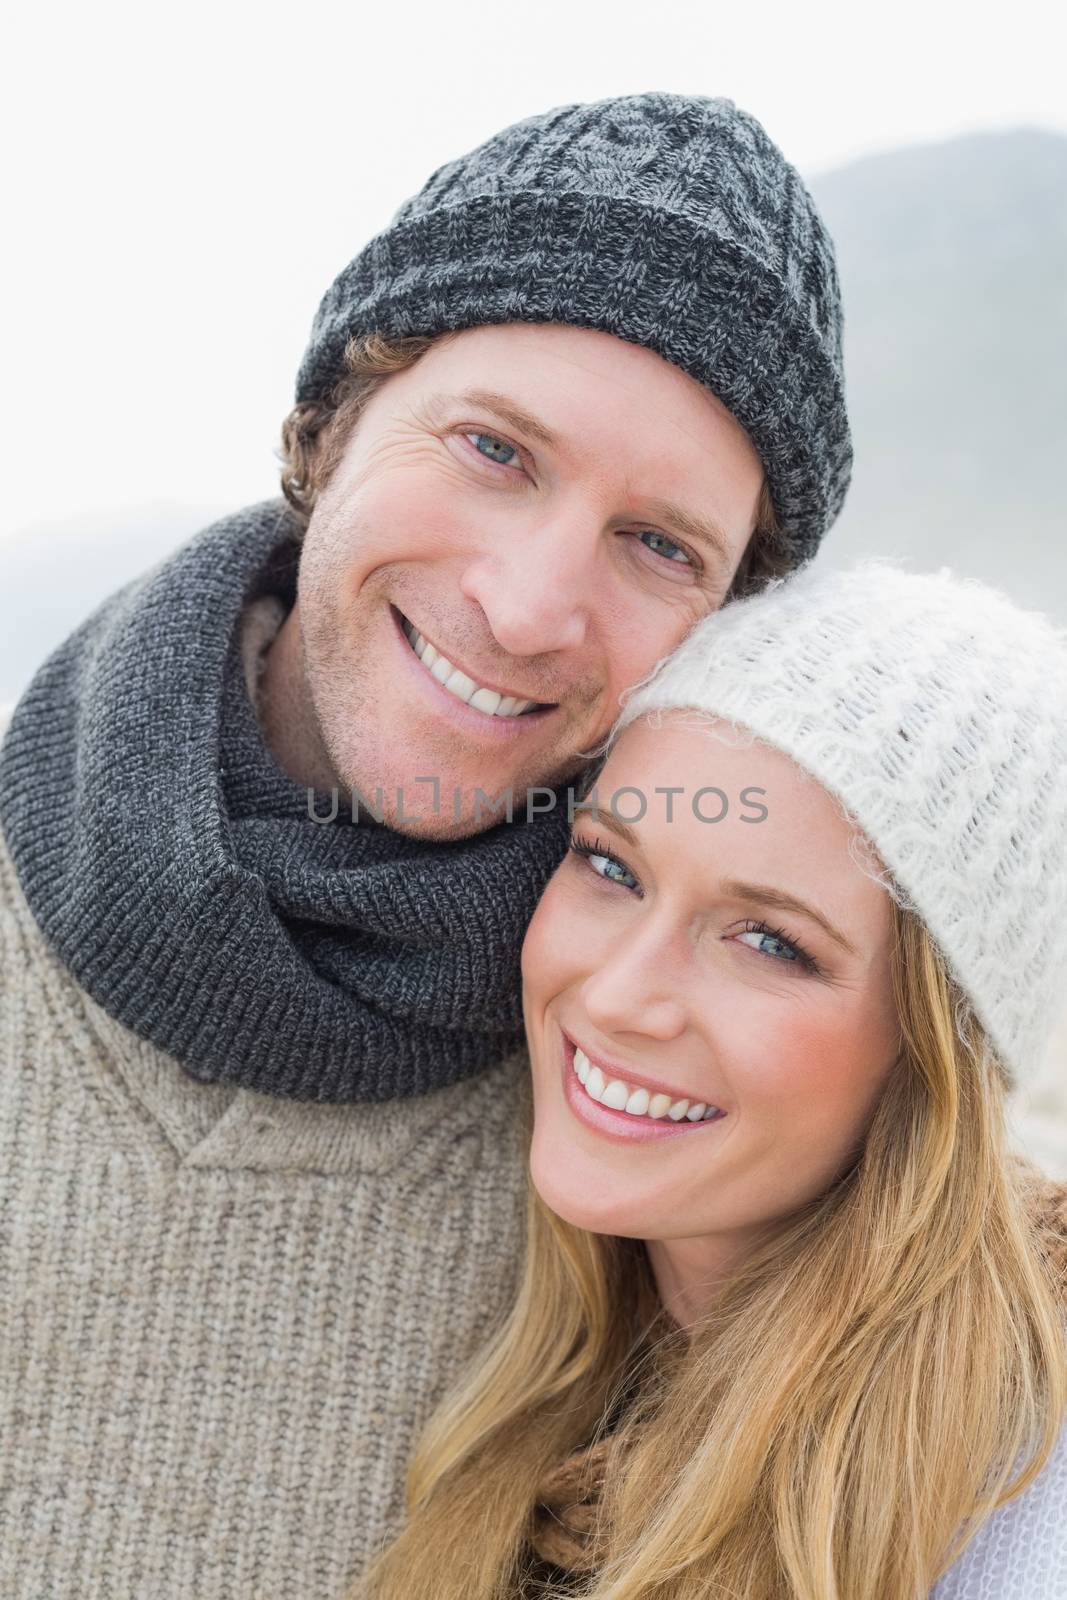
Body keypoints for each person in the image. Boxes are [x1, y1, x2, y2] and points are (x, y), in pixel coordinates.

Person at [0, 95, 856, 1595]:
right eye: (492, 449)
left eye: (659, 546)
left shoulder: (661, 1135)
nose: (527, 609)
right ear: (331, 423)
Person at [359, 559, 1067, 1600]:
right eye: (610, 866)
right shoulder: (519, 1366)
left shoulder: (1022, 1503)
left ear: (931, 1056)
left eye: (768, 942)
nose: (614, 997)